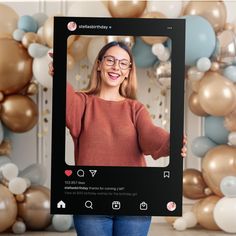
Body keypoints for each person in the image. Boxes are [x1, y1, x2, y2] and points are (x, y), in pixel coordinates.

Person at [49, 41, 187, 236]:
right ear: (98, 64)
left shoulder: (135, 108)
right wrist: (59, 73)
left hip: (134, 200)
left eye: (123, 63)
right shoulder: (83, 103)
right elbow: (67, 99)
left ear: (129, 71)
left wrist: (172, 143)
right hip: (91, 200)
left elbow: (150, 134)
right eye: (110, 60)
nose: (116, 67)